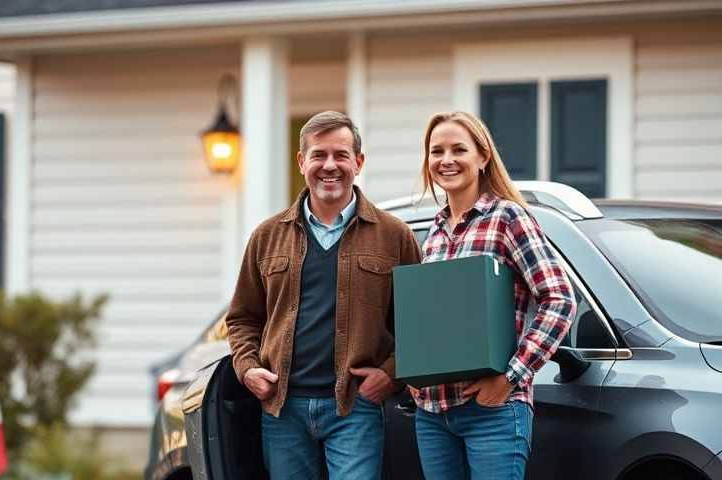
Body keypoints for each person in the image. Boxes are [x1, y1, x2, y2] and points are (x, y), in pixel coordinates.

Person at [225, 111, 422, 480]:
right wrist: (248, 367)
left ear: (358, 162)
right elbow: (242, 317)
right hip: (282, 410)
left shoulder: (395, 236)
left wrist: (391, 374)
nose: (329, 165)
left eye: (340, 155)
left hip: (355, 409)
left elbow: (417, 323)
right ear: (302, 162)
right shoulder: (266, 237)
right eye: (318, 155)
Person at [412, 111, 576, 479]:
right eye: (436, 151)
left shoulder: (508, 218)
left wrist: (511, 377)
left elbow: (560, 300)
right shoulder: (434, 234)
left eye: (459, 149)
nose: (446, 160)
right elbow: (432, 318)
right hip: (433, 414)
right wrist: (414, 373)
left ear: (483, 157)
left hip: (493, 412)